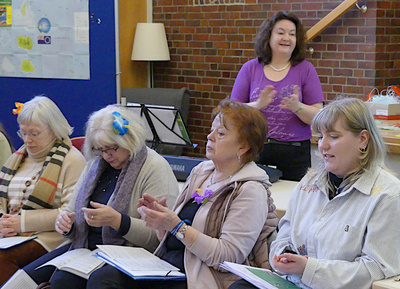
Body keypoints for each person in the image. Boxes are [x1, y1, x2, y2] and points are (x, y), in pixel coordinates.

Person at [83, 99, 279, 289]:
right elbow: (170, 237)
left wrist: (176, 226)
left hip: (204, 275)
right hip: (170, 265)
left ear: (243, 147)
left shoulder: (250, 189)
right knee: (102, 278)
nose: (210, 137)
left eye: (220, 133)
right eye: (211, 130)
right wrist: (160, 221)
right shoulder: (202, 172)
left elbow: (227, 256)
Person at [231, 97, 400, 289]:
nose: (323, 145)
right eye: (320, 137)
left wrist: (308, 268)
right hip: (295, 283)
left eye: (334, 137)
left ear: (363, 139)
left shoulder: (387, 194)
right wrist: (282, 255)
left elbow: (377, 269)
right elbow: (284, 236)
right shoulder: (310, 182)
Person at [22, 104, 179, 288]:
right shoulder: (94, 165)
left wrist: (118, 221)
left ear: (130, 139)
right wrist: (65, 224)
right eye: (101, 150)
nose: (107, 156)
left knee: (81, 281)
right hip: (87, 249)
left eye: (112, 148)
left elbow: (159, 236)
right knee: (27, 278)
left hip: (134, 254)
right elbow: (71, 212)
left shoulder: (154, 167)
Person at [0, 96, 87, 284]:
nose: (27, 140)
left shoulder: (72, 160)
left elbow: (70, 213)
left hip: (50, 237)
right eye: (23, 133)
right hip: (11, 236)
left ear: (54, 130)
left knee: (1, 259)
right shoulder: (17, 157)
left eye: (34, 133)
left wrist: (21, 224)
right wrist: (3, 224)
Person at [230, 11, 325, 181]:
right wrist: (257, 105)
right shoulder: (250, 68)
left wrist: (298, 107)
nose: (286, 38)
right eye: (280, 33)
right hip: (256, 149)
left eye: (292, 34)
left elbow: (320, 116)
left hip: (295, 153)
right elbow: (231, 111)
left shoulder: (306, 69)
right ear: (269, 36)